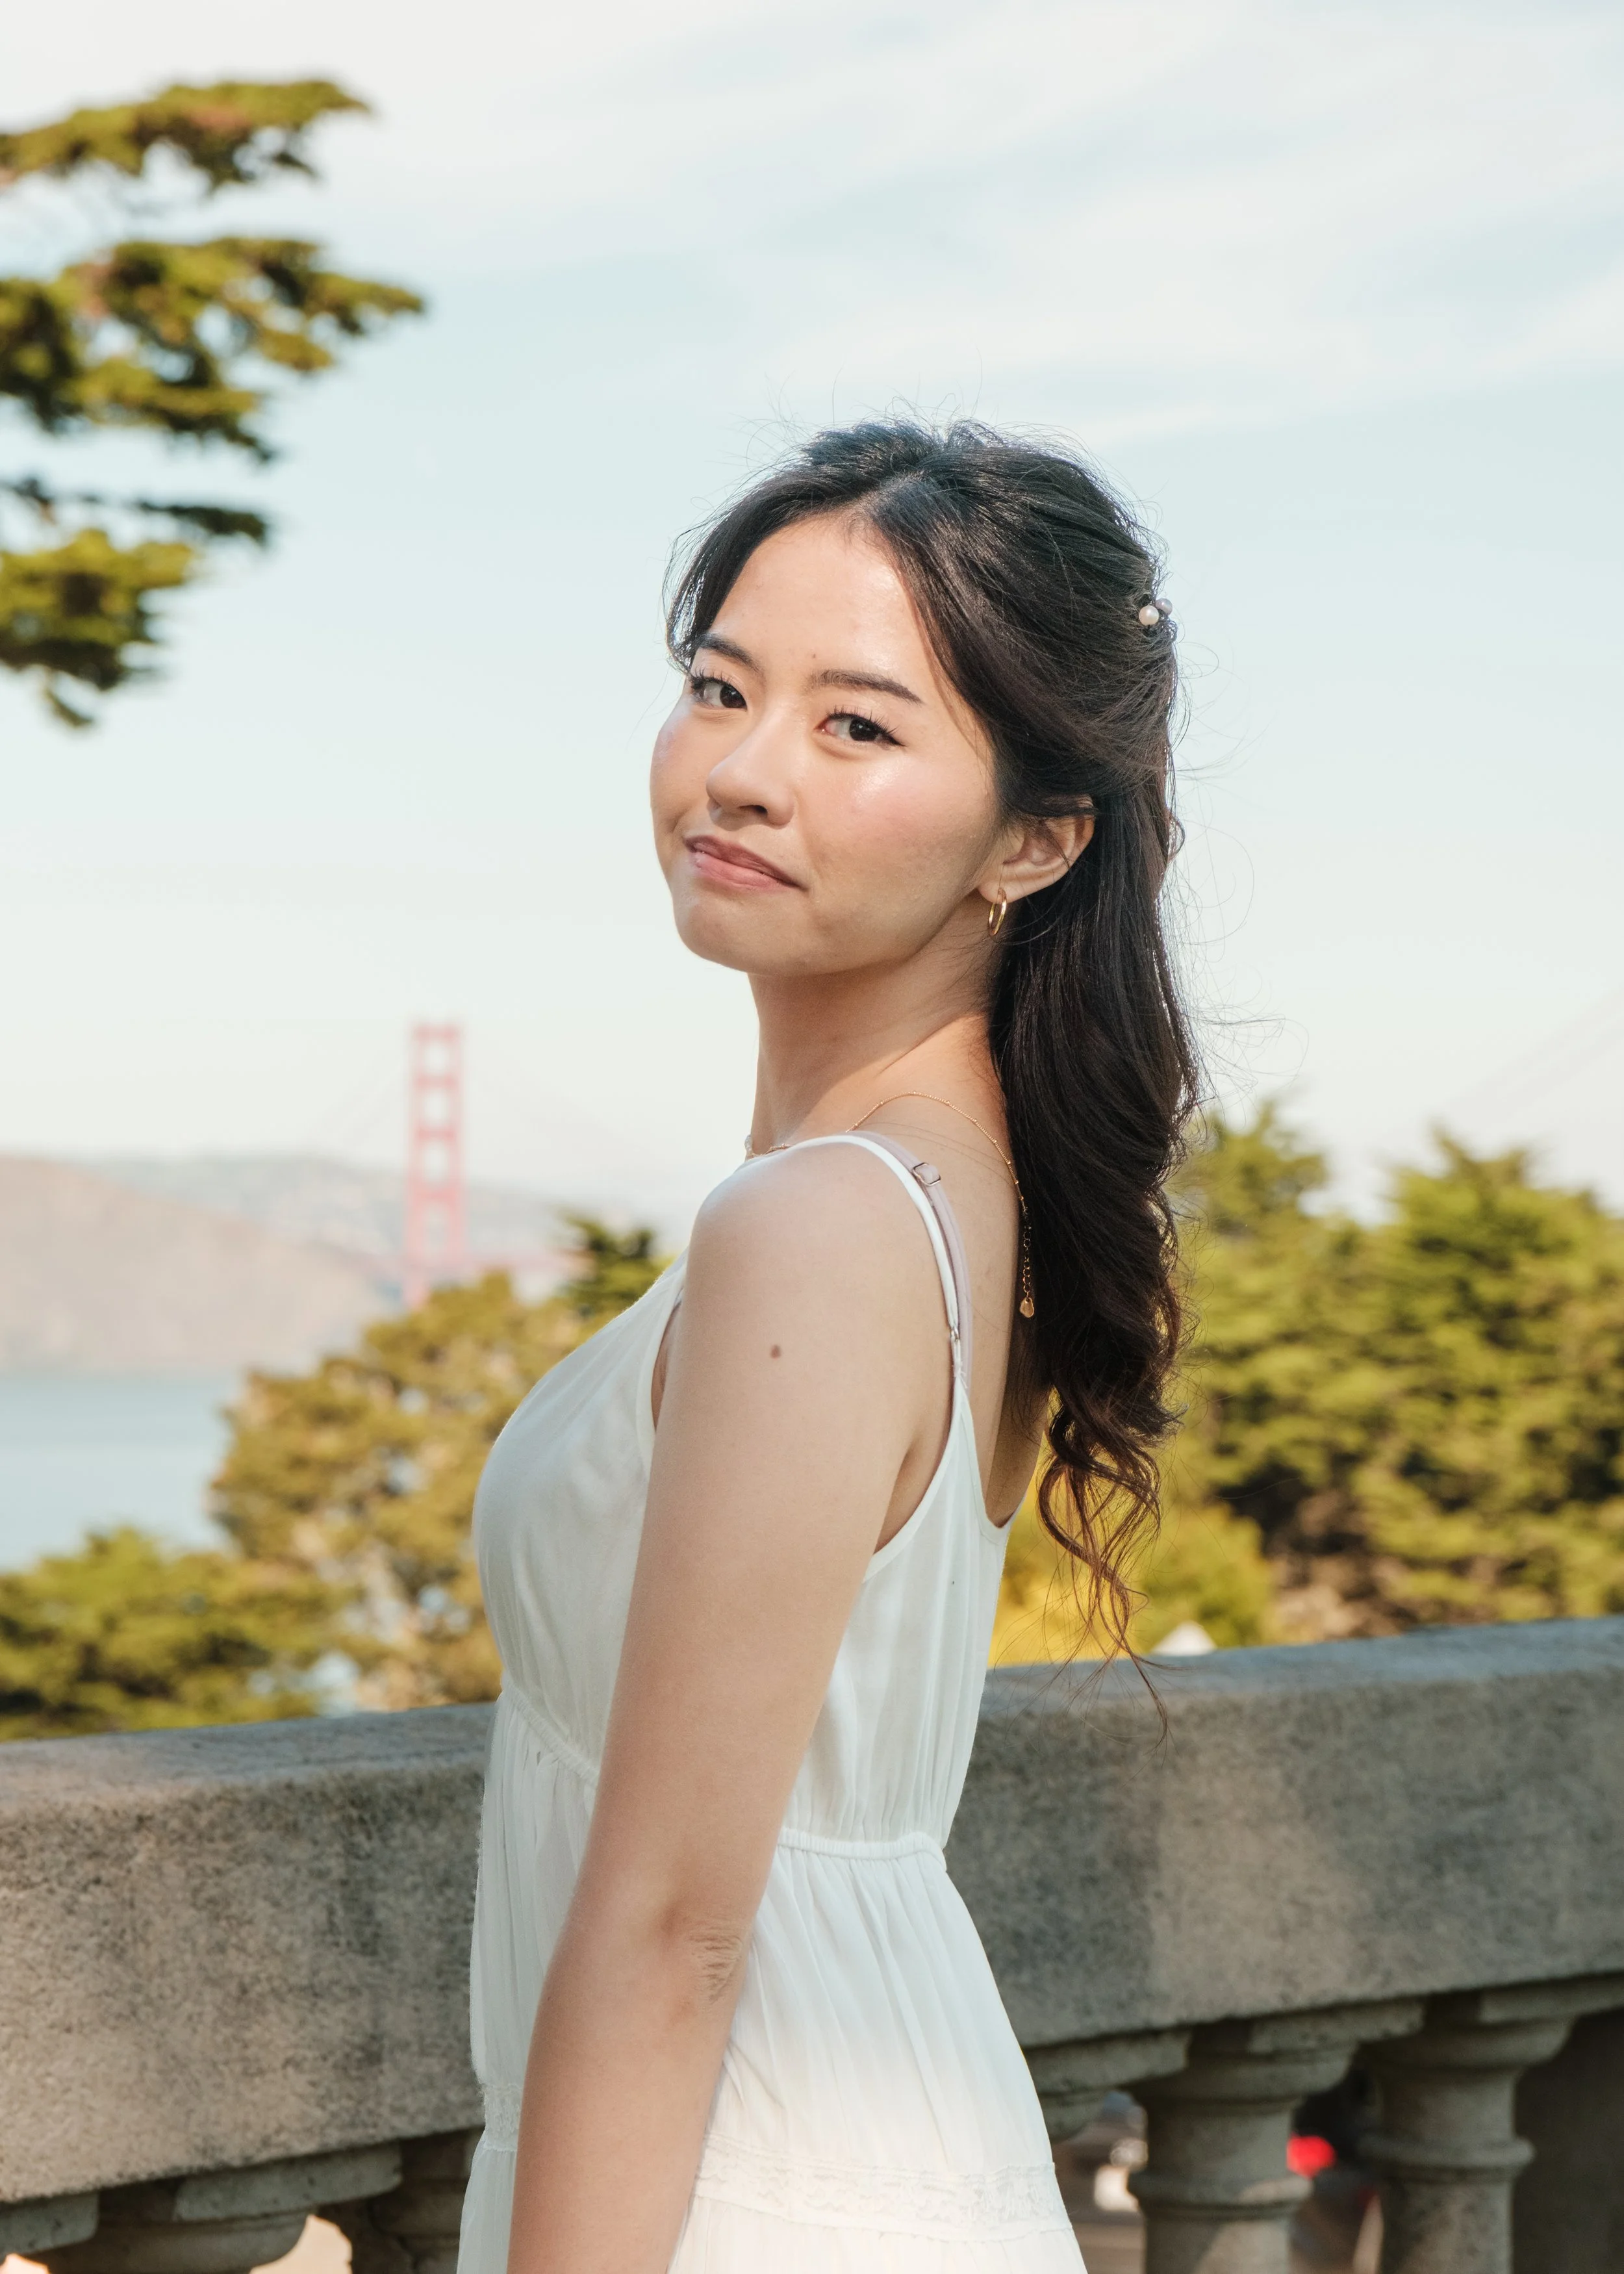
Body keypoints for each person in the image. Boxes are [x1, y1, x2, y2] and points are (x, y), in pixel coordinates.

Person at [457, 420, 1196, 2274]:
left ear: (1036, 835)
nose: (742, 772)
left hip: (740, 2195)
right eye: (720, 687)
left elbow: (670, 1931)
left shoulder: (815, 1228)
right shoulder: (956, 1204)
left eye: (856, 726)